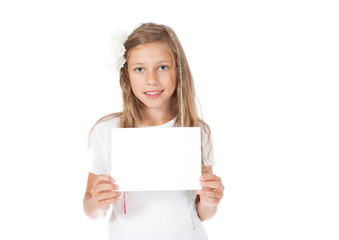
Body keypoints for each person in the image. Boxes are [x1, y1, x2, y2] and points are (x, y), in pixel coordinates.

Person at [83, 22, 224, 239]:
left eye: (162, 67)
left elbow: (202, 214)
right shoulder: (108, 131)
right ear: (127, 75)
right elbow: (90, 208)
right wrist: (98, 202)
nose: (151, 80)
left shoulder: (196, 130)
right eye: (140, 69)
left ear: (178, 70)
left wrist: (210, 200)